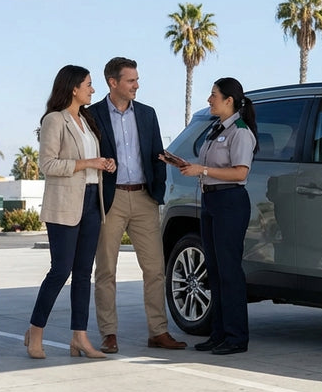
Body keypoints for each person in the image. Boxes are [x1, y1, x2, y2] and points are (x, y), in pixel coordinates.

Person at [88, 56, 186, 353]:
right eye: (131, 80)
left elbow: (156, 152)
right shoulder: (92, 115)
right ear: (113, 82)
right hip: (111, 199)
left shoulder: (147, 114)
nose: (136, 85)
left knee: (155, 269)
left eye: (136, 79)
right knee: (106, 270)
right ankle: (109, 333)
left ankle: (158, 332)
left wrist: (158, 192)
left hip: (144, 198)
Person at [24, 64, 116, 360]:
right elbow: (48, 165)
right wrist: (88, 163)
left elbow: (89, 161)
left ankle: (80, 337)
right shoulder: (54, 120)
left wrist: (103, 164)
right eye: (88, 84)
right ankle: (35, 332)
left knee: (83, 275)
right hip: (64, 204)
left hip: (92, 201)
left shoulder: (86, 121)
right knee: (60, 270)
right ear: (73, 87)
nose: (92, 89)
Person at [176, 77, 258, 355]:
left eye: (213, 95)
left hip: (230, 201)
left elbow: (240, 172)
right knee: (214, 269)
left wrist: (203, 171)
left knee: (230, 271)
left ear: (229, 100)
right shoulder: (216, 130)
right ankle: (219, 333)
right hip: (211, 201)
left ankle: (237, 337)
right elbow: (208, 166)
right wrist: (191, 167)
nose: (209, 100)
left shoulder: (241, 132)